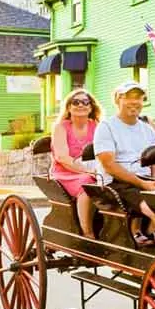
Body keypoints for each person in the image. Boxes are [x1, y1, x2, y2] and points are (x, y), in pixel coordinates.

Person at [92, 80, 155, 247]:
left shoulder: (147, 129)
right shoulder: (106, 127)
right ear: (118, 100)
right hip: (117, 182)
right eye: (129, 97)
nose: (134, 102)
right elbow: (109, 165)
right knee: (154, 208)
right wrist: (143, 184)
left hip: (145, 179)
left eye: (138, 97)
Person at [48, 87, 101, 234]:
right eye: (75, 102)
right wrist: (89, 171)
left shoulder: (96, 126)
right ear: (69, 107)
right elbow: (62, 158)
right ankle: (87, 232)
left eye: (85, 102)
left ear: (91, 107)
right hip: (65, 172)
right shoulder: (61, 127)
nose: (80, 105)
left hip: (93, 169)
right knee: (87, 183)